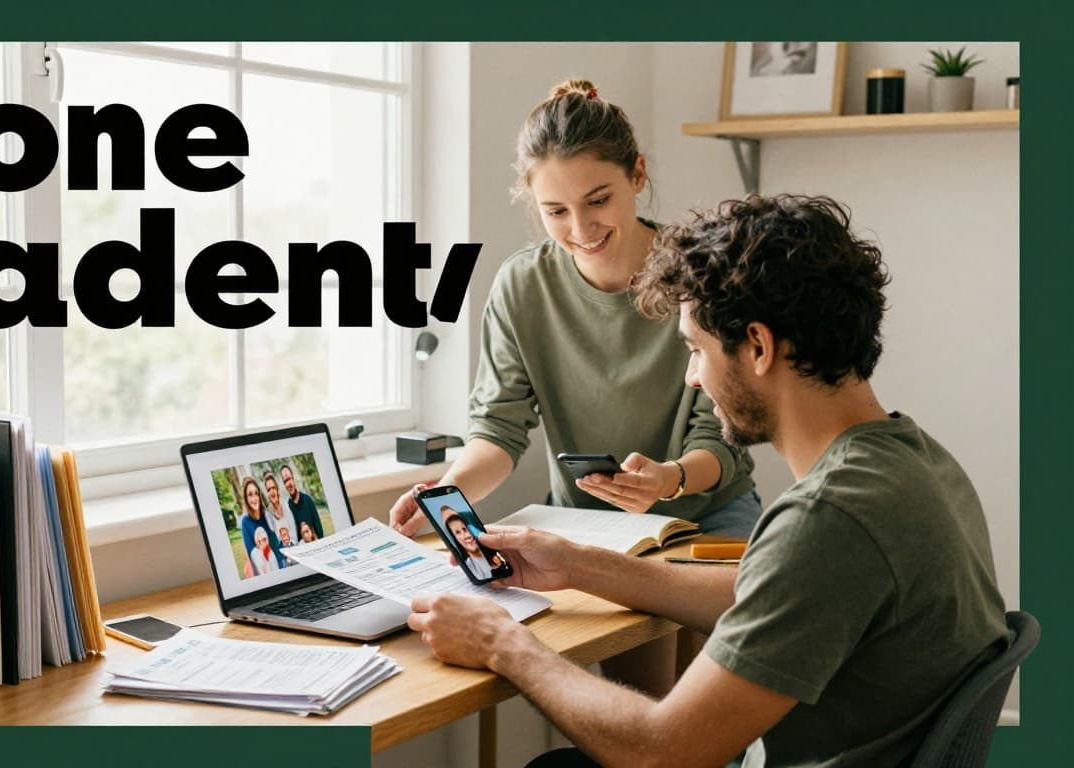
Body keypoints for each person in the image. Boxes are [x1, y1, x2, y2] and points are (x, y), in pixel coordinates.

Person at [407, 194, 1009, 767]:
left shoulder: (829, 517)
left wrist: (502, 645)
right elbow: (777, 591)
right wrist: (577, 564)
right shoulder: (916, 462)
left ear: (757, 346)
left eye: (696, 350)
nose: (693, 377)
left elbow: (658, 751)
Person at [389, 78, 759, 544]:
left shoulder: (703, 273)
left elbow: (722, 433)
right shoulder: (523, 287)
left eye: (598, 200)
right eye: (556, 211)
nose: (581, 228)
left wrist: (669, 479)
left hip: (708, 514)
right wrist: (444, 493)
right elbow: (498, 428)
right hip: (584, 525)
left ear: (638, 174)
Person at [237, 475, 279, 577]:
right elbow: (253, 555)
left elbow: (276, 545)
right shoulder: (245, 522)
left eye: (256, 493)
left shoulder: (267, 517)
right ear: (246, 499)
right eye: (250, 494)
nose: (254, 498)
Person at [442, 507, 493, 581]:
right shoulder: (469, 565)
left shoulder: (493, 552)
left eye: (464, 529)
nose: (467, 536)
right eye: (457, 532)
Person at [281, 464, 324, 540]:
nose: (288, 484)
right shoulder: (288, 507)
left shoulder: (308, 500)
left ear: (293, 479)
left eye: (289, 479)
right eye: (285, 481)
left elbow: (319, 531)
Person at [264, 470, 298, 546]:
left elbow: (294, 532)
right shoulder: (268, 514)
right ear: (267, 494)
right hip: (281, 551)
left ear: (277, 489)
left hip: (294, 545)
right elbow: (274, 539)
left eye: (273, 488)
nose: (272, 491)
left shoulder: (286, 505)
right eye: (269, 490)